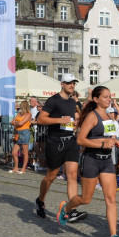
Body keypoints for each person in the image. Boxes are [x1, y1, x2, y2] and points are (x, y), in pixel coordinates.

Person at [56, 86, 119, 237]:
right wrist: (102, 143)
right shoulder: (91, 116)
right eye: (105, 97)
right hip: (91, 160)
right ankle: (66, 208)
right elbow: (80, 140)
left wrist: (115, 141)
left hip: (107, 161)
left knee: (111, 199)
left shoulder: (110, 115)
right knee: (85, 199)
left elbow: (109, 135)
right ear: (96, 99)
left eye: (109, 96)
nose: (109, 99)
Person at [33, 74, 84, 221]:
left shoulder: (72, 101)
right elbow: (41, 119)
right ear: (62, 84)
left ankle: (72, 210)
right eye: (69, 83)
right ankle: (40, 200)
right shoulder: (53, 100)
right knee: (51, 176)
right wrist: (60, 120)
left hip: (70, 141)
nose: (72, 85)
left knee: (73, 174)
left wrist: (74, 124)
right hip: (55, 142)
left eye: (73, 83)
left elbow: (69, 120)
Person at [10, 100, 32, 174]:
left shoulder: (28, 114)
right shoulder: (19, 114)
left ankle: (23, 169)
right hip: (18, 133)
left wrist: (16, 123)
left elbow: (21, 123)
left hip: (24, 132)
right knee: (14, 152)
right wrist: (17, 123)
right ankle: (15, 168)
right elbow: (12, 121)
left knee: (25, 152)